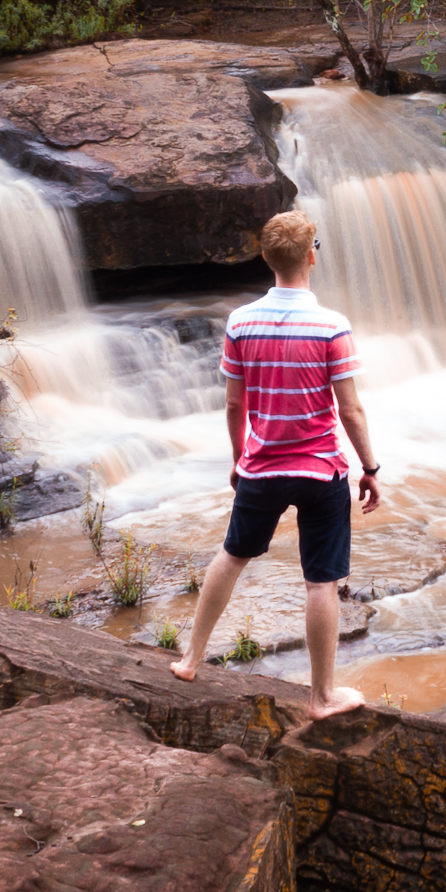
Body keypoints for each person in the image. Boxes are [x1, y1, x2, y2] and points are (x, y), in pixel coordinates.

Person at [170, 209, 382, 716]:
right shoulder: (332, 325)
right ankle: (321, 697)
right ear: (311, 257)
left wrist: (240, 458)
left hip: (262, 468)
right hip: (320, 471)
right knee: (321, 581)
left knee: (232, 555)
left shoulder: (241, 322)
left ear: (265, 257)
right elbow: (349, 408)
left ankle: (191, 659)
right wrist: (370, 469)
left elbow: (234, 404)